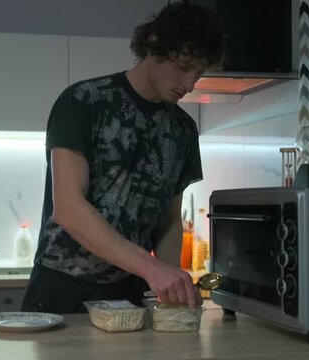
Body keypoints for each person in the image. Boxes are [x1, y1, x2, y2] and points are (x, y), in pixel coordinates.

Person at [21, 0, 225, 314]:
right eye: (184, 67)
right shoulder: (84, 102)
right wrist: (152, 268)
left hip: (132, 291)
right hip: (62, 288)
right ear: (155, 44)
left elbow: (170, 221)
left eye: (198, 73)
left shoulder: (183, 130)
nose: (189, 84)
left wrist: (169, 281)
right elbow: (68, 207)